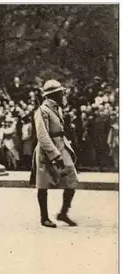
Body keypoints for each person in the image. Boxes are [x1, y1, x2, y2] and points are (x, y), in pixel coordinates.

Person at [30, 79, 78, 228]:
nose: (63, 94)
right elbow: (42, 135)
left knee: (71, 178)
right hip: (46, 150)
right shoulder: (42, 111)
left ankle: (63, 213)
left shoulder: (58, 108)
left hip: (61, 146)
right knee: (42, 184)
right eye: (60, 92)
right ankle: (44, 218)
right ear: (54, 94)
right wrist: (55, 155)